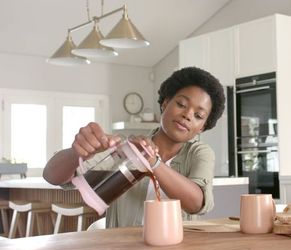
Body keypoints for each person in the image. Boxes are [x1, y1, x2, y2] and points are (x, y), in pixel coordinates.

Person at [43, 66, 225, 228]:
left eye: (199, 115)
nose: (187, 115)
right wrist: (77, 152)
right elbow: (52, 176)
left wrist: (153, 163)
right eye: (181, 104)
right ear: (165, 103)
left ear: (202, 127)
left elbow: (196, 203)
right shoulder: (126, 148)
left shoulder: (199, 153)